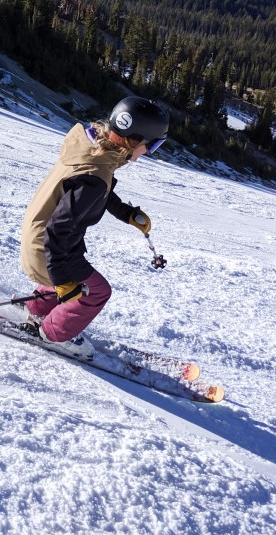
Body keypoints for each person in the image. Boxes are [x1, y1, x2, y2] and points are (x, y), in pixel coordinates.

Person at [19, 96, 169, 358]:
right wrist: (63, 280)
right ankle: (55, 334)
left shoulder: (91, 151)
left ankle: (38, 309)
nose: (149, 152)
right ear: (134, 139)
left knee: (73, 267)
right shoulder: (96, 176)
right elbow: (58, 229)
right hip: (46, 247)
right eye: (153, 145)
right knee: (96, 291)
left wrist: (127, 214)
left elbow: (92, 190)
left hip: (38, 236)